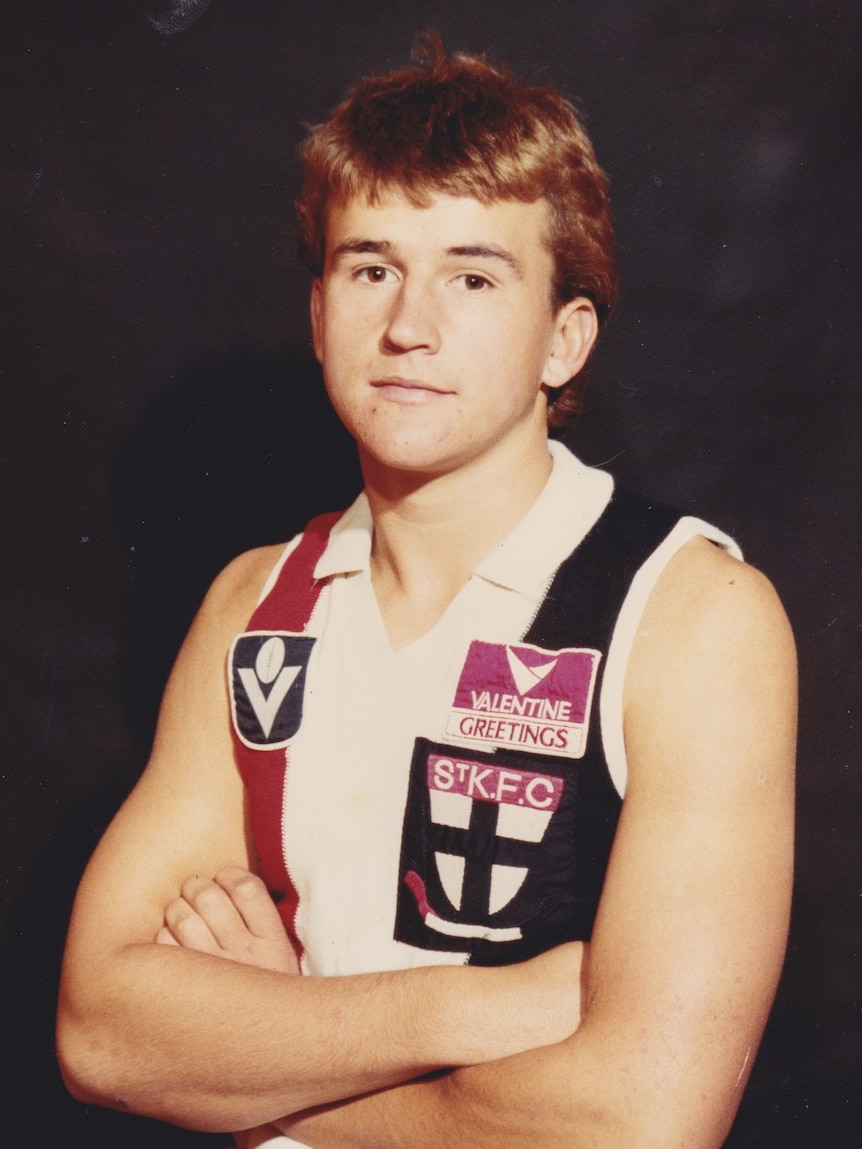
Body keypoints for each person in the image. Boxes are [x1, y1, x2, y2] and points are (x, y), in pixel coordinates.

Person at [57, 35, 796, 1148]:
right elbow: (103, 1036)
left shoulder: (692, 617)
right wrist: (479, 1008)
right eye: (370, 269)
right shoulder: (256, 605)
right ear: (318, 316)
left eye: (472, 275)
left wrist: (262, 1070)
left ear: (563, 338)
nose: (409, 326)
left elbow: (638, 1123)